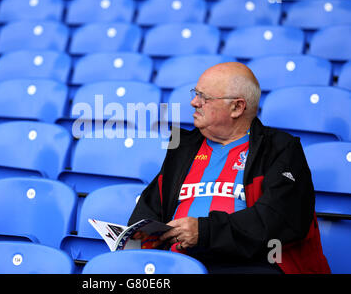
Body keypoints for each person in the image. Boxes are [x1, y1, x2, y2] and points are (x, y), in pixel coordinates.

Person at [128, 62, 330, 274]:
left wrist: (204, 232)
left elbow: (278, 219)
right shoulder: (182, 148)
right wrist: (136, 234)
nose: (194, 102)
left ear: (237, 107)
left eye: (203, 97)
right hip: (177, 264)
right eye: (195, 94)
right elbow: (151, 206)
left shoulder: (279, 149)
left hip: (250, 264)